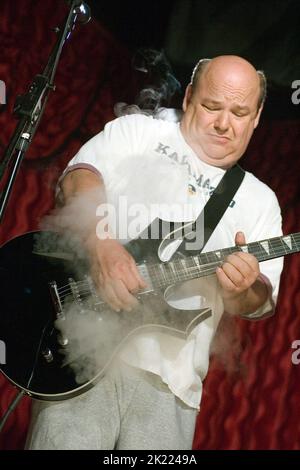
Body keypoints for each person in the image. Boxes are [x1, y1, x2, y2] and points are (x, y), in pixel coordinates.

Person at [26, 55, 283, 450]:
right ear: (189, 97)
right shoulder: (137, 133)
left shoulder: (259, 200)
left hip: (172, 385)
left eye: (239, 112)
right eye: (212, 106)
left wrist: (242, 289)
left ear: (258, 116)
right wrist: (101, 245)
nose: (223, 123)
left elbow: (260, 300)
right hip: (82, 353)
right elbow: (78, 179)